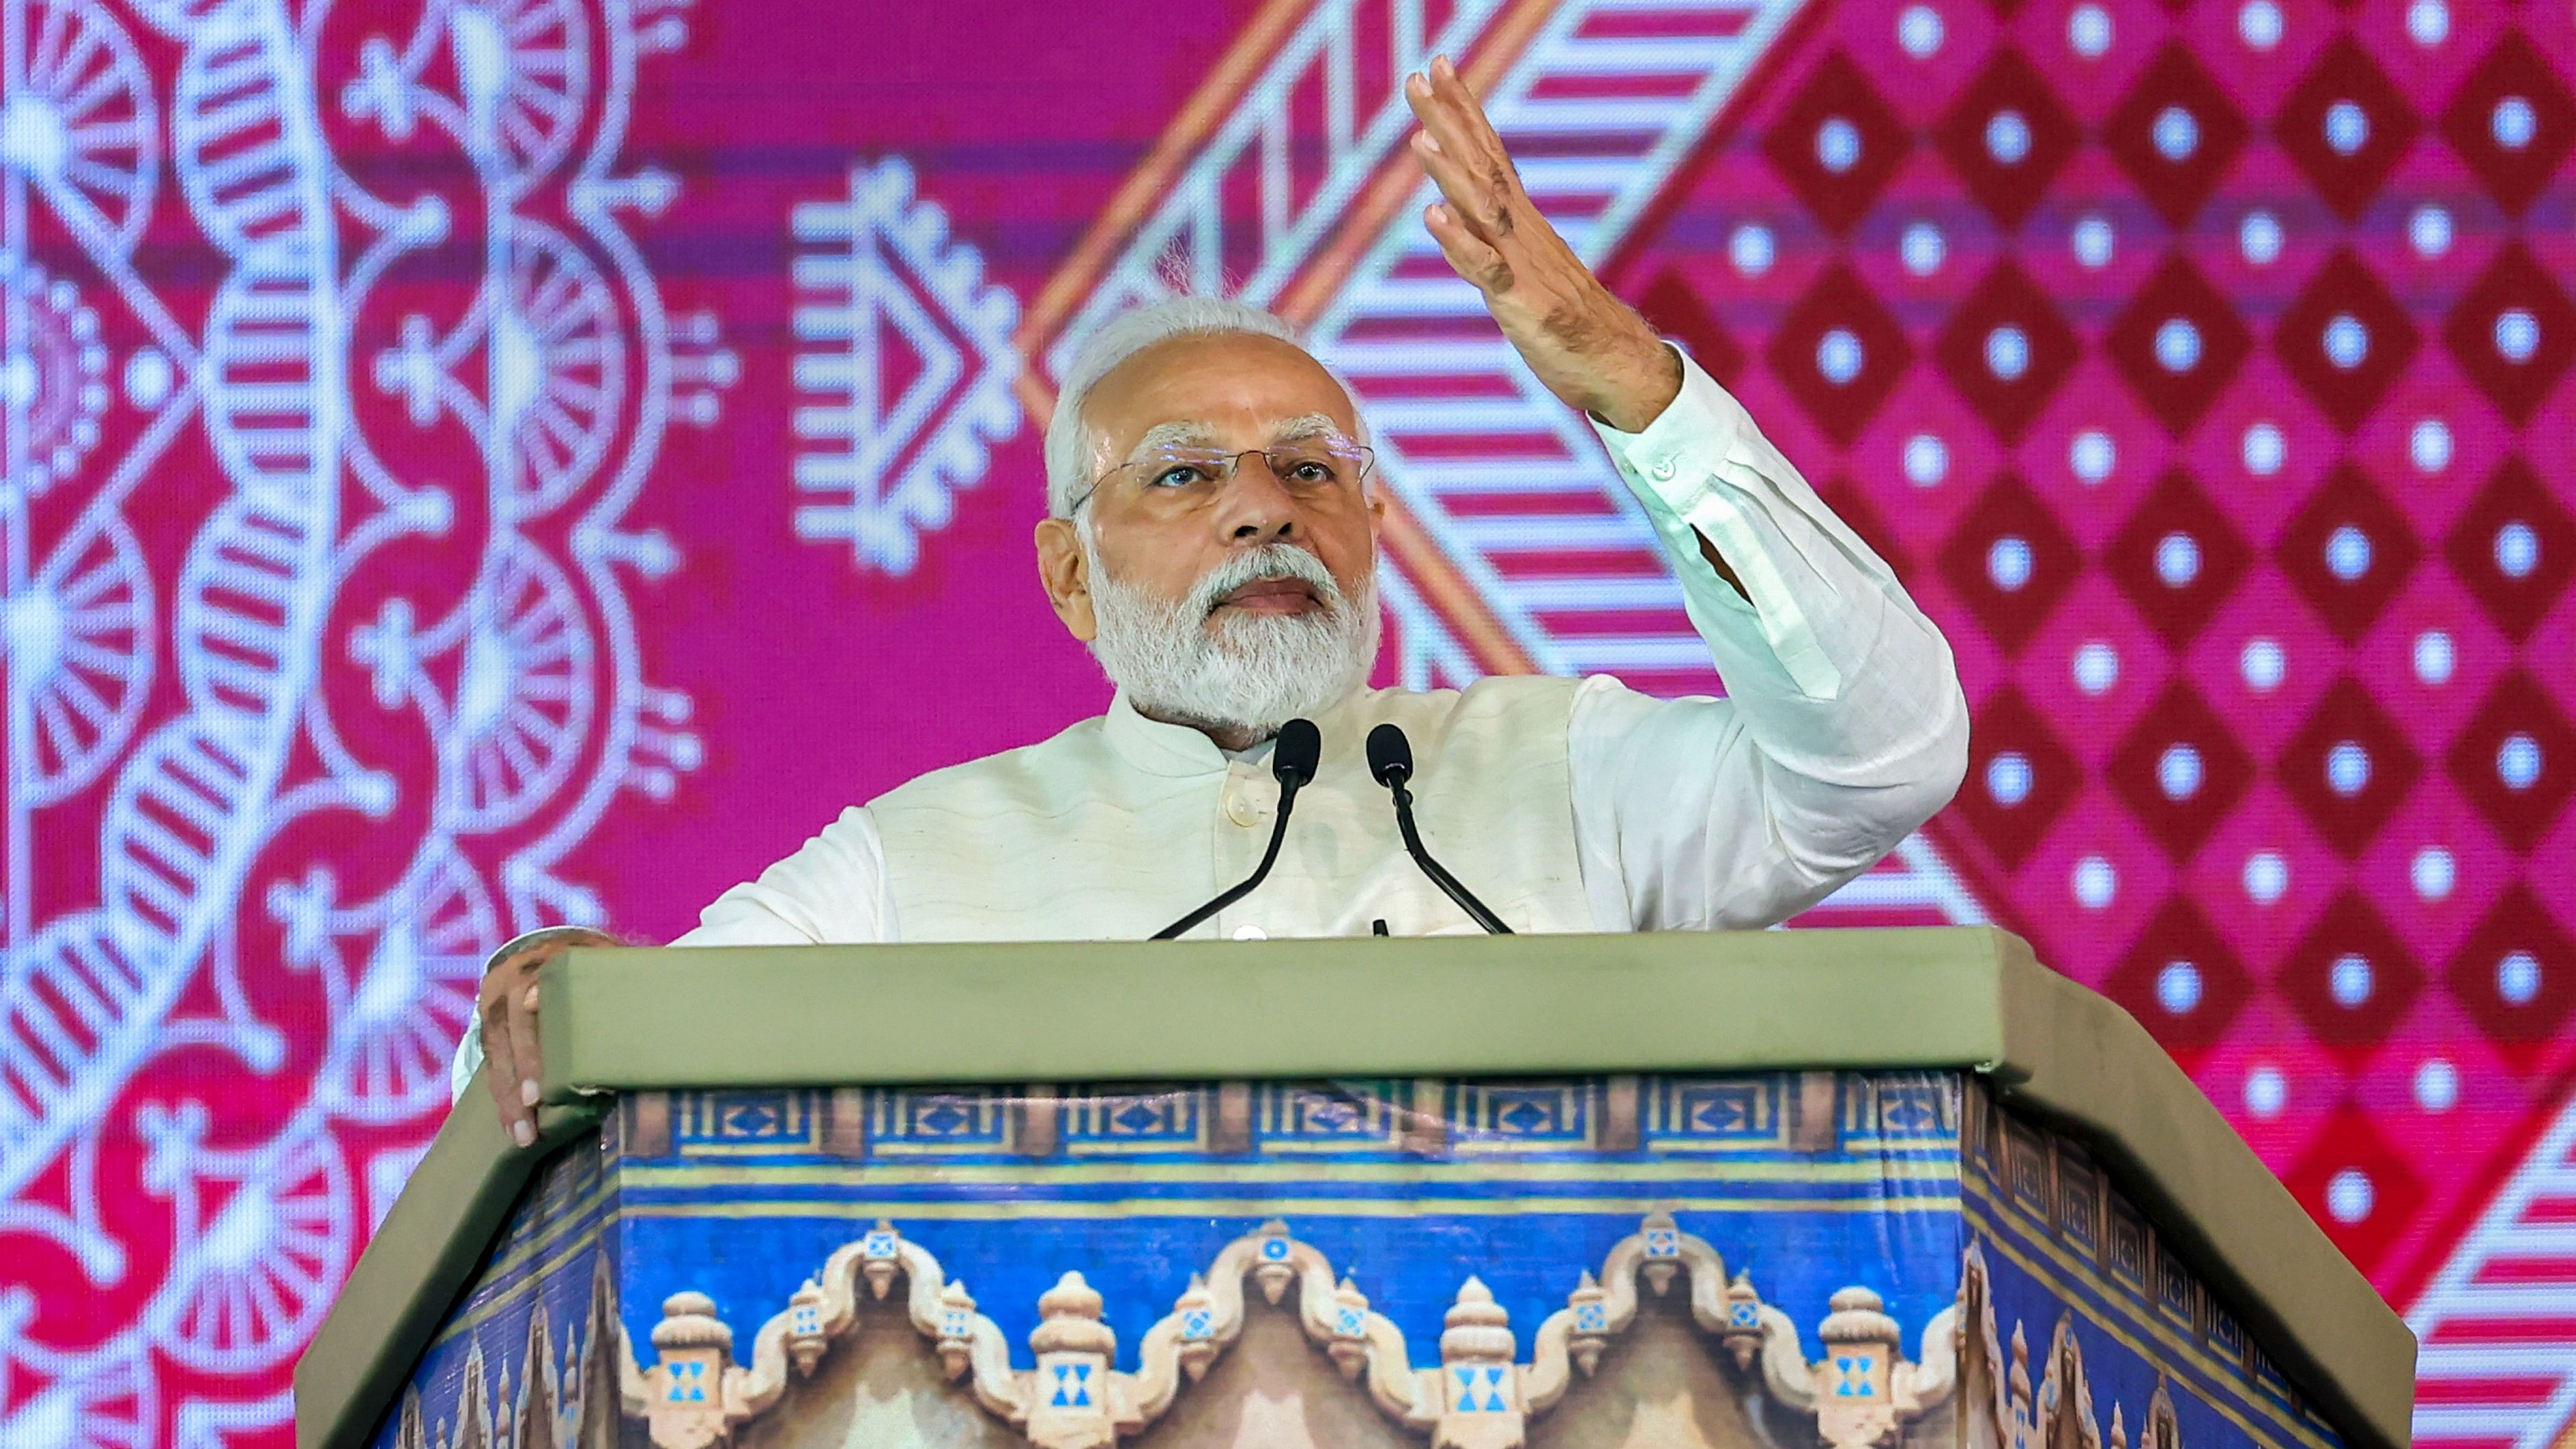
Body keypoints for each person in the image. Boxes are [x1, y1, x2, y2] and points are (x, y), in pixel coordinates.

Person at [461, 57, 1969, 1146]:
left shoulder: (1559, 770)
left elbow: (1883, 758)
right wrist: (559, 1002)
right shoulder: (913, 869)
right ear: (1071, 573)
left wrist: (1639, 391)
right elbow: (573, 1083)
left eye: (1313, 469)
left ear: (1373, 521)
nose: (1266, 506)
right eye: (1185, 478)